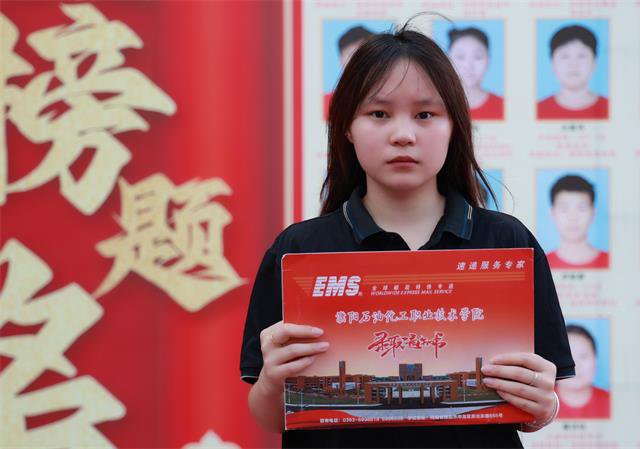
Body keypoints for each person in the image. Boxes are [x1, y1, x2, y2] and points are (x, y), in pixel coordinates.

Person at [241, 23, 575, 448]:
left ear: (454, 127)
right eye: (379, 114)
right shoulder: (299, 251)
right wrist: (272, 381)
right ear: (346, 127)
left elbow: (536, 402)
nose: (403, 134)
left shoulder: (507, 244)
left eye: (425, 115)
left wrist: (544, 406)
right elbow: (270, 415)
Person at [537, 25, 608, 120]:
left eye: (581, 56)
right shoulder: (537, 110)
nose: (573, 64)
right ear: (553, 64)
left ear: (594, 63)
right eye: (565, 56)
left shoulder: (611, 108)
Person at [546, 175, 609, 269]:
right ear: (552, 213)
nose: (573, 218)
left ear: (593, 213)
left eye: (582, 208)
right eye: (564, 209)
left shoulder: (612, 261)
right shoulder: (540, 264)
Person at [447, 27, 504, 120]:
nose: (468, 66)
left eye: (478, 57)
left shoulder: (504, 107)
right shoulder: (437, 106)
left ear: (488, 60)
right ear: (448, 61)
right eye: (460, 57)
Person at [556, 324, 610, 418]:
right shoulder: (538, 401)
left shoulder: (614, 403)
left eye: (583, 356)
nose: (575, 365)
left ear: (595, 360)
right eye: (567, 357)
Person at [323, 25, 374, 119]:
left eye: (364, 55)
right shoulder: (324, 104)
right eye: (351, 56)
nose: (358, 62)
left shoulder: (392, 99)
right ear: (341, 60)